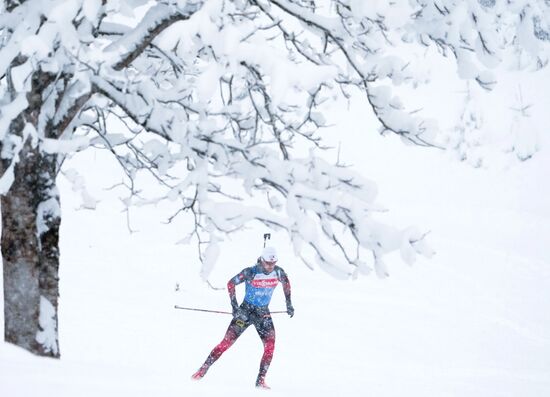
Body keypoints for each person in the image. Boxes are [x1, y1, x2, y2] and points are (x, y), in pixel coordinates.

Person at [191, 246, 294, 389]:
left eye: (273, 263)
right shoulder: (251, 272)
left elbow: (287, 285)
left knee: (270, 346)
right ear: (262, 260)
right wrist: (234, 307)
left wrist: (289, 304)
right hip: (245, 312)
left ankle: (260, 380)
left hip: (263, 313)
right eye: (268, 263)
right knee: (226, 343)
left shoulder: (278, 272)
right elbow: (231, 283)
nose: (271, 266)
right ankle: (202, 370)